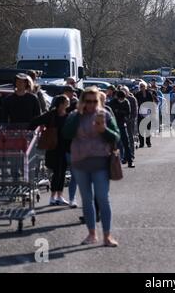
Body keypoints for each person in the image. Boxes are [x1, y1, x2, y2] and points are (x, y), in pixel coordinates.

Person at [63, 87, 120, 247]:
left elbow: (117, 136)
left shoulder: (105, 115)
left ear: (99, 101)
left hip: (101, 162)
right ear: (82, 102)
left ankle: (107, 236)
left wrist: (104, 130)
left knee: (102, 198)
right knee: (86, 200)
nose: (91, 105)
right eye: (88, 101)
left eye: (94, 101)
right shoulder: (75, 116)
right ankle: (91, 234)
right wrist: (78, 114)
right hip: (80, 163)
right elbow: (66, 134)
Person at [30, 95, 71, 206]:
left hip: (65, 147)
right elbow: (35, 121)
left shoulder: (68, 116)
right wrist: (40, 129)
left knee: (62, 172)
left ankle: (60, 196)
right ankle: (53, 197)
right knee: (56, 172)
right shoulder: (51, 115)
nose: (69, 102)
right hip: (53, 147)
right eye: (67, 101)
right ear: (61, 103)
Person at [108, 90, 135, 168]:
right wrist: (120, 112)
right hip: (113, 125)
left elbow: (128, 114)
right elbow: (111, 114)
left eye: (122, 98)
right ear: (117, 97)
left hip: (122, 124)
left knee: (126, 143)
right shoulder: (112, 102)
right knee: (113, 144)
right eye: (120, 98)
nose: (121, 100)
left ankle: (130, 161)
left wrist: (119, 112)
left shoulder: (126, 102)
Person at [135, 82, 157, 148]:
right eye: (141, 86)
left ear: (145, 87)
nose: (142, 87)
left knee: (147, 128)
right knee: (141, 129)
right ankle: (141, 143)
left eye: (143, 86)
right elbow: (136, 103)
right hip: (140, 114)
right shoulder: (137, 94)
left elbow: (152, 103)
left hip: (148, 114)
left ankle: (148, 142)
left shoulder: (149, 94)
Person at [121, 86, 138, 155]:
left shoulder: (132, 99)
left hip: (130, 121)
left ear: (128, 91)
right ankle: (124, 154)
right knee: (123, 138)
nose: (124, 92)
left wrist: (131, 119)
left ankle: (132, 153)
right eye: (122, 91)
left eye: (125, 91)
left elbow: (135, 111)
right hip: (122, 122)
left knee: (130, 137)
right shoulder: (120, 99)